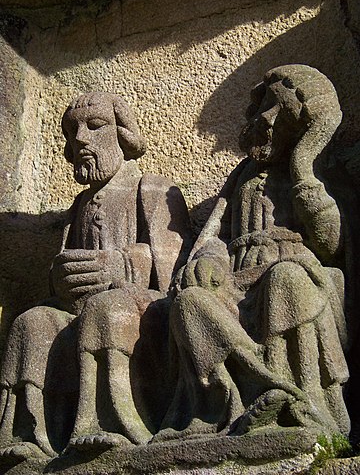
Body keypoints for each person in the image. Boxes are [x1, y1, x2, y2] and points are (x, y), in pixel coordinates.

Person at [157, 65, 350, 441]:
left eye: (281, 113)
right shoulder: (243, 174)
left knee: (286, 280)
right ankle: (230, 402)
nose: (266, 118)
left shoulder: (322, 171)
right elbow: (216, 231)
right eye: (265, 105)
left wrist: (303, 168)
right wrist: (209, 258)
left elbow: (332, 243)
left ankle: (300, 401)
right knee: (190, 303)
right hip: (237, 283)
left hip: (295, 277)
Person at [0, 92, 191, 460]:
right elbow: (63, 273)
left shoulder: (152, 188)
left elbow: (175, 269)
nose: (81, 138)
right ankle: (26, 434)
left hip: (142, 310)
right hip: (82, 310)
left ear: (123, 133)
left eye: (95, 126)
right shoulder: (78, 207)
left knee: (106, 309)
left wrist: (122, 264)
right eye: (72, 131)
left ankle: (112, 424)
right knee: (32, 323)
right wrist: (60, 279)